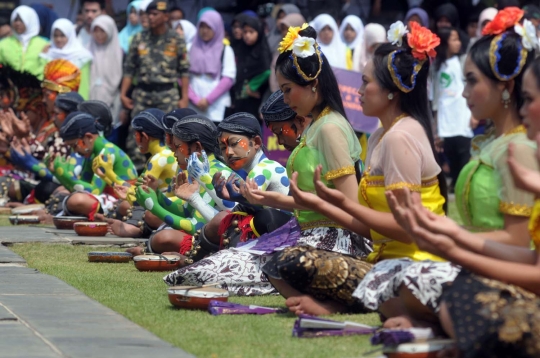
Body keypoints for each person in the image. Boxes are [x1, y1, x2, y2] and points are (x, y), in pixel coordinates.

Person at [349, 9, 539, 334]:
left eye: (471, 80)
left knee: (413, 284)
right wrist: (446, 236)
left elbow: (521, 242)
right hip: (472, 258)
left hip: (501, 269)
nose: (463, 92)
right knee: (397, 286)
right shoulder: (495, 143)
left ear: (505, 86)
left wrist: (449, 239)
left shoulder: (517, 148)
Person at [259, 20, 450, 316]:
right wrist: (318, 201)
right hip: (381, 260)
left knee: (290, 262)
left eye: (365, 82)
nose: (357, 91)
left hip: (413, 266)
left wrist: (330, 202)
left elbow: (405, 231)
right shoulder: (379, 136)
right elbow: (369, 228)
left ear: (391, 90)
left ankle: (351, 305)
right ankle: (347, 304)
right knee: (280, 263)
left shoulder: (400, 137)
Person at [164, 24, 370, 296]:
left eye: (287, 90)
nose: (285, 99)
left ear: (313, 84)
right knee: (196, 272)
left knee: (209, 272)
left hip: (332, 241)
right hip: (304, 231)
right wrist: (263, 199)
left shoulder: (330, 128)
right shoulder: (316, 125)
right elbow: (306, 203)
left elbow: (351, 209)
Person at [128, 113, 236, 255]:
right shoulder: (199, 170)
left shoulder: (212, 174)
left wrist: (152, 206)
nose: (174, 153)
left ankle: (150, 250)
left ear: (197, 147)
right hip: (211, 235)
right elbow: (185, 211)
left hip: (228, 241)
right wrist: (158, 195)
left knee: (164, 237)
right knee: (163, 234)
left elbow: (194, 226)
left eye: (178, 147)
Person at [122, 0, 190, 172]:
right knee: (135, 135)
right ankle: (136, 175)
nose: (150, 18)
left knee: (169, 135)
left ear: (165, 16)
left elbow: (184, 71)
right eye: (148, 14)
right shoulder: (139, 38)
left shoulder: (176, 40)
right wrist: (123, 94)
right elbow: (129, 69)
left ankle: (168, 174)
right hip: (142, 93)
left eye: (154, 14)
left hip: (167, 93)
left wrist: (184, 97)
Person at [56, 111, 137, 219]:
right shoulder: (93, 154)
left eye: (75, 145)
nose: (75, 151)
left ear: (89, 137)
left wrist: (63, 174)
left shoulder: (107, 153)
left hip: (122, 200)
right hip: (107, 199)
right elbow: (83, 186)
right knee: (63, 193)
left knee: (76, 200)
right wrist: (59, 174)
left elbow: (94, 191)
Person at [432, 27, 473, 192]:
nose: (458, 43)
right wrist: (435, 122)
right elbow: (435, 96)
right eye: (453, 40)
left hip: (462, 113)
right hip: (445, 117)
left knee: (464, 150)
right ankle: (455, 183)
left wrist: (473, 113)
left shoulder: (463, 61)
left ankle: (462, 185)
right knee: (450, 152)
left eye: (458, 39)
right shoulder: (436, 67)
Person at [188, 10, 235, 122]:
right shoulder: (190, 47)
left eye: (209, 27)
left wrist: (207, 100)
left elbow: (228, 79)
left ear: (217, 28)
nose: (204, 31)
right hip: (193, 106)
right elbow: (182, 77)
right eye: (202, 26)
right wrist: (195, 99)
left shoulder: (225, 50)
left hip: (216, 108)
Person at [41, 19, 93, 100]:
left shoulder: (82, 56)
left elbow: (84, 84)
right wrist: (42, 56)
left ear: (70, 35)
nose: (58, 39)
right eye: (55, 35)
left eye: (62, 35)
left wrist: (81, 103)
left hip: (72, 100)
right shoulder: (48, 54)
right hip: (50, 100)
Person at [230, 16, 271, 119]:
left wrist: (251, 86)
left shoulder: (262, 50)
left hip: (255, 101)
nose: (247, 35)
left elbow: (267, 71)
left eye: (251, 32)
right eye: (245, 32)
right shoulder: (241, 49)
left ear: (259, 32)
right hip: (239, 101)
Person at [89, 15, 123, 126]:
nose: (98, 35)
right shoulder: (86, 51)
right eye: (95, 30)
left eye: (102, 31)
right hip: (90, 100)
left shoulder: (120, 54)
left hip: (113, 101)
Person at [0, 5, 48, 80]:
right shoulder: (3, 44)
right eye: (15, 20)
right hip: (10, 88)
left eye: (22, 20)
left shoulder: (44, 44)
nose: (18, 23)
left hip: (36, 88)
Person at [269, 12, 306, 92]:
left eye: (288, 29)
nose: (285, 32)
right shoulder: (281, 47)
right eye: (283, 29)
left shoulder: (306, 50)